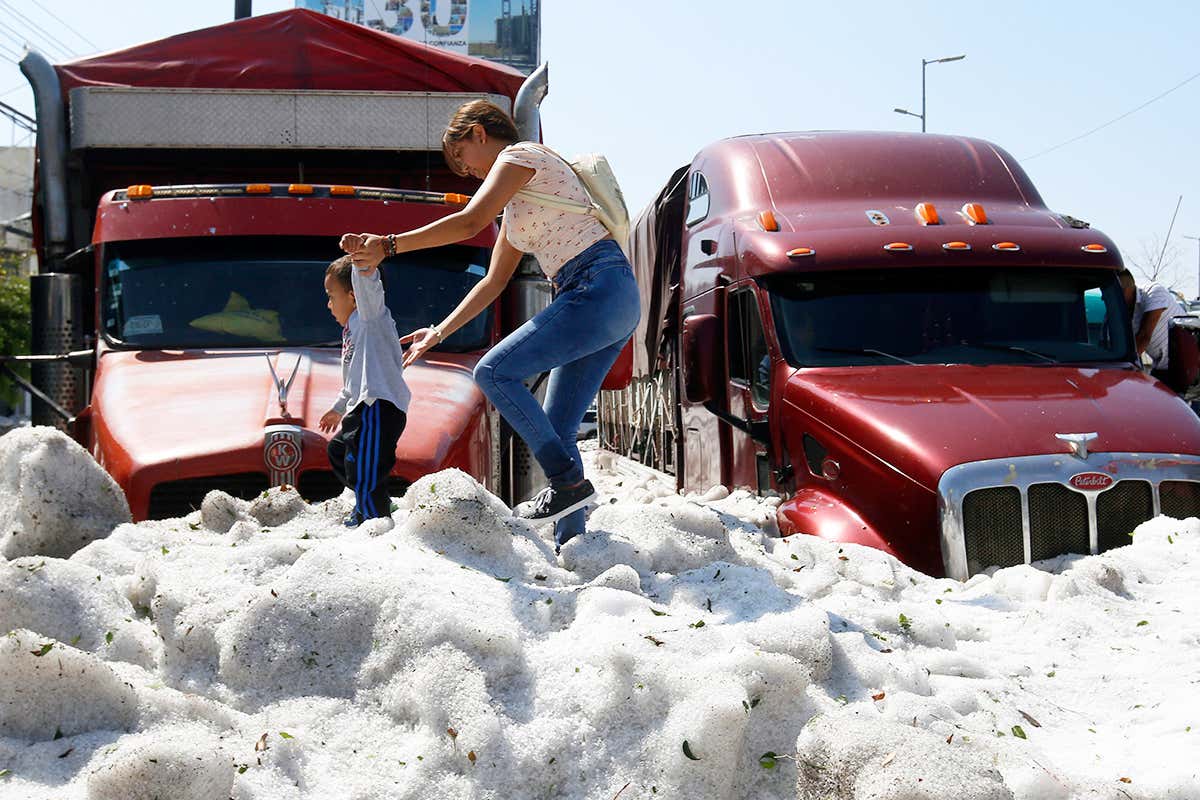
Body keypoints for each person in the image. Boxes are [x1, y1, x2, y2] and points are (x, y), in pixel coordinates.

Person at [339, 99, 640, 549]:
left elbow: (469, 222)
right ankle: (572, 547)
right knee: (558, 432)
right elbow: (493, 283)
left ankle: (570, 484)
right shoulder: (518, 211)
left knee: (493, 371)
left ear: (479, 133)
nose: (468, 173)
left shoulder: (521, 156)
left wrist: (389, 244)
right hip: (604, 297)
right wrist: (439, 330)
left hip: (596, 286)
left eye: (463, 158)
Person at [319, 255, 410, 528]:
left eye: (331, 296)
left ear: (354, 296)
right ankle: (375, 500)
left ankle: (371, 518)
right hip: (360, 406)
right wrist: (338, 408)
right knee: (339, 451)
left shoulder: (370, 318)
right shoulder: (351, 330)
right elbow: (352, 380)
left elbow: (369, 286)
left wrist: (362, 260)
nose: (329, 304)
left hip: (378, 406)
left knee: (365, 467)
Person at [1119, 268, 1185, 372]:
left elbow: (1144, 336)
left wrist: (1120, 369)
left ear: (1124, 290)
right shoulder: (1121, 312)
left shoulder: (1153, 292)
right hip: (1161, 368)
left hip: (1186, 369)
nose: (1103, 298)